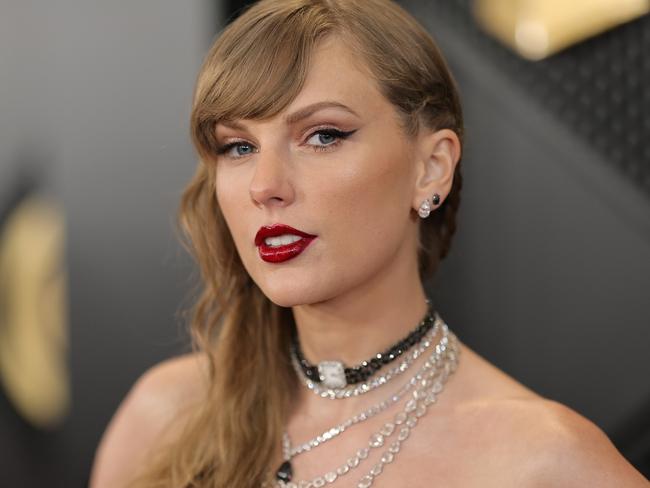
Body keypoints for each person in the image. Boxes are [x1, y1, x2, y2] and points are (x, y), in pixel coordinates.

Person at [90, 0, 649, 487]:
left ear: (431, 168)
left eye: (323, 136)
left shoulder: (543, 462)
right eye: (238, 147)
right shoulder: (164, 418)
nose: (266, 186)